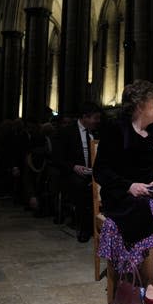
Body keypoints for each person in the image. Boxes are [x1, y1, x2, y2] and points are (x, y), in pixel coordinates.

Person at [95, 80, 153, 304]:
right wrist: (129, 186)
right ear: (139, 104)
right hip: (121, 195)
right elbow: (101, 170)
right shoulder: (117, 129)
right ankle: (149, 281)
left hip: (152, 193)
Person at [56, 102, 102, 242]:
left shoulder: (96, 131)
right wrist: (74, 167)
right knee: (83, 189)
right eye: (95, 118)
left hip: (93, 172)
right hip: (73, 173)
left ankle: (101, 226)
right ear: (85, 117)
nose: (97, 121)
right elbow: (57, 158)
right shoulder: (66, 132)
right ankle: (85, 228)